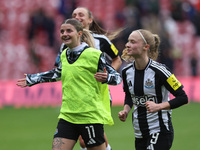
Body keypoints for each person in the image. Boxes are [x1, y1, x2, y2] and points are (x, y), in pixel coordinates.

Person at [17, 19, 122, 150]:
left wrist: (107, 77)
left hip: (89, 116)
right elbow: (58, 73)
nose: (64, 34)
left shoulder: (94, 55)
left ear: (79, 33)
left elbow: (117, 78)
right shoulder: (64, 54)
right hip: (68, 115)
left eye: (68, 31)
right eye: (62, 31)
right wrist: (33, 79)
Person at [118, 29, 188, 150]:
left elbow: (183, 97)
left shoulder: (160, 70)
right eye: (128, 41)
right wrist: (125, 110)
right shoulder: (126, 71)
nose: (127, 44)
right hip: (139, 133)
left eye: (133, 42)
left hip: (160, 130)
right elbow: (129, 96)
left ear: (146, 46)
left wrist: (158, 106)